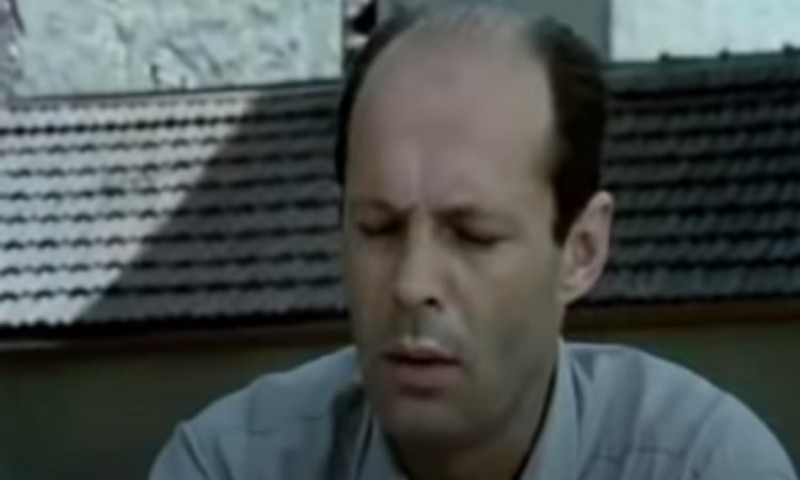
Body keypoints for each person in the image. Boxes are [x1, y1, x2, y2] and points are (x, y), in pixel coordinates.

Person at [149, 3, 798, 479]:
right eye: (378, 228)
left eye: (472, 235)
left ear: (581, 251)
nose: (412, 284)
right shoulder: (229, 465)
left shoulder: (706, 466)